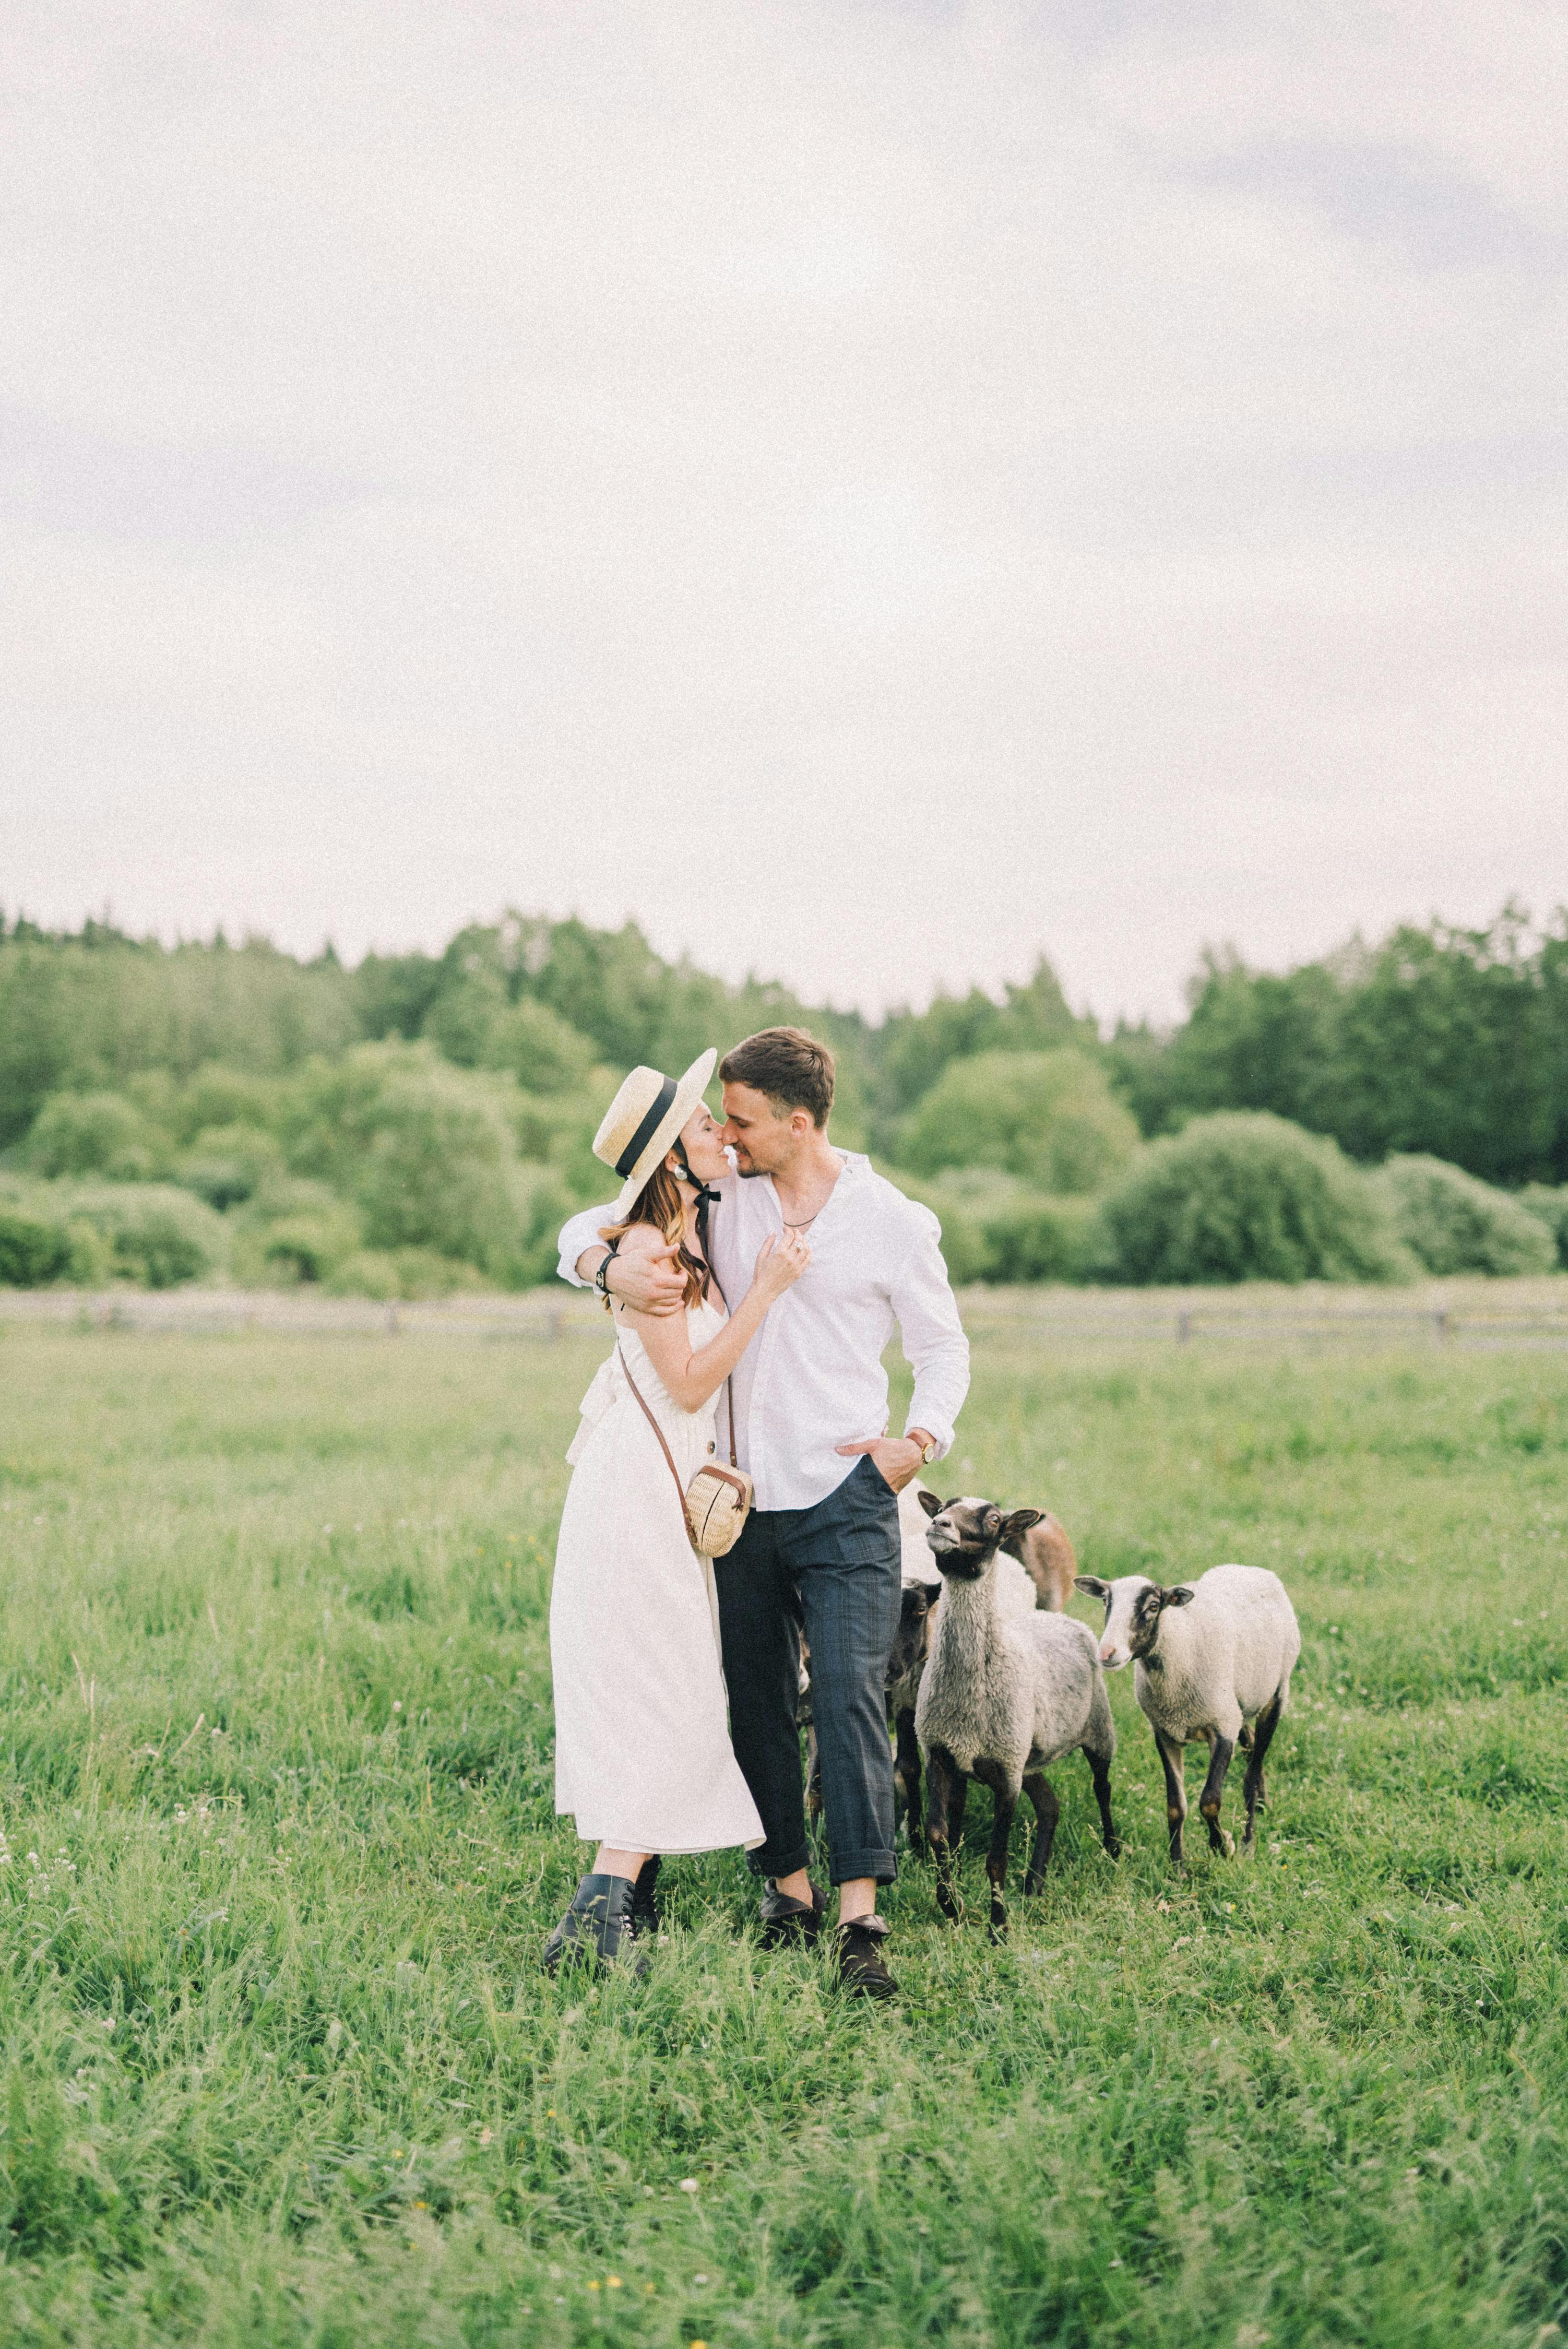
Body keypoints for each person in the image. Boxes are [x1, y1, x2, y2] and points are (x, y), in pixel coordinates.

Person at [557, 1026, 970, 1999]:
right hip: (735, 1505)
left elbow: (944, 1348)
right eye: (719, 1122)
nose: (726, 1135)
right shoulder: (723, 1192)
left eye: (739, 1120)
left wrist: (921, 1443)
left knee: (849, 1699)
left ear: (798, 1121)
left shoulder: (893, 1221)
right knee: (755, 1706)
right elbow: (596, 1213)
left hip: (846, 1498)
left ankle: (863, 1919)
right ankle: (789, 1892)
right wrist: (598, 1265)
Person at [543, 1047, 811, 1972]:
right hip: (638, 1495)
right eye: (703, 1126)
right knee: (671, 1686)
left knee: (672, 1682)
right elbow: (692, 1381)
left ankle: (615, 1905)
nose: (720, 1133)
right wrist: (767, 1295)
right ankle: (599, 1919)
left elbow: (584, 1228)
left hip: (667, 1489)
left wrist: (590, 1255)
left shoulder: (685, 1230)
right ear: (669, 1159)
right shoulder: (651, 1254)